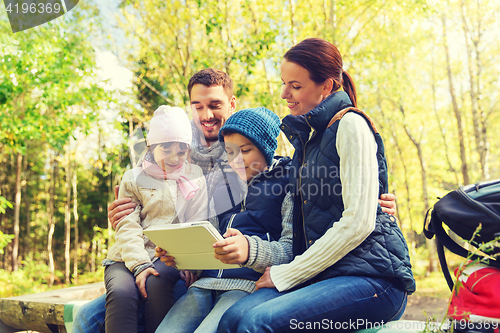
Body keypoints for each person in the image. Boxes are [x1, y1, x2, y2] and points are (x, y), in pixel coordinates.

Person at [72, 67, 398, 333]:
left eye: (214, 105)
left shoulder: (279, 165)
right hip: (191, 273)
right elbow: (158, 206)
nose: (205, 114)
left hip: (239, 278)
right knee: (89, 318)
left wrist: (376, 205)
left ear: (231, 104)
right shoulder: (179, 151)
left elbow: (309, 218)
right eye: (197, 106)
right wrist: (128, 214)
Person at [217, 38, 416, 333]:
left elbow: (358, 224)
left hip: (373, 280)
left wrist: (288, 274)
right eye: (284, 83)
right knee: (232, 319)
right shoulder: (308, 140)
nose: (285, 93)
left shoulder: (350, 125)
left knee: (255, 323)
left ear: (326, 86)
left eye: (295, 86)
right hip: (325, 275)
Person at [155, 107, 294, 333]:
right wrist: (180, 256)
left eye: (246, 150)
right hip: (203, 285)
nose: (236, 160)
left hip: (247, 287)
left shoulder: (288, 182)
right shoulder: (221, 184)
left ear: (266, 148)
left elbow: (290, 250)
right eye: (230, 153)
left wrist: (250, 250)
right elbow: (209, 242)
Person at [102, 105, 208, 333]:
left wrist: (190, 263)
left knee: (157, 283)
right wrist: (139, 265)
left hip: (169, 255)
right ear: (151, 147)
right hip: (126, 256)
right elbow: (127, 226)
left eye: (181, 151)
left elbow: (198, 222)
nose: (174, 158)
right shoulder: (134, 178)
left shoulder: (195, 177)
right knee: (121, 292)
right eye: (166, 150)